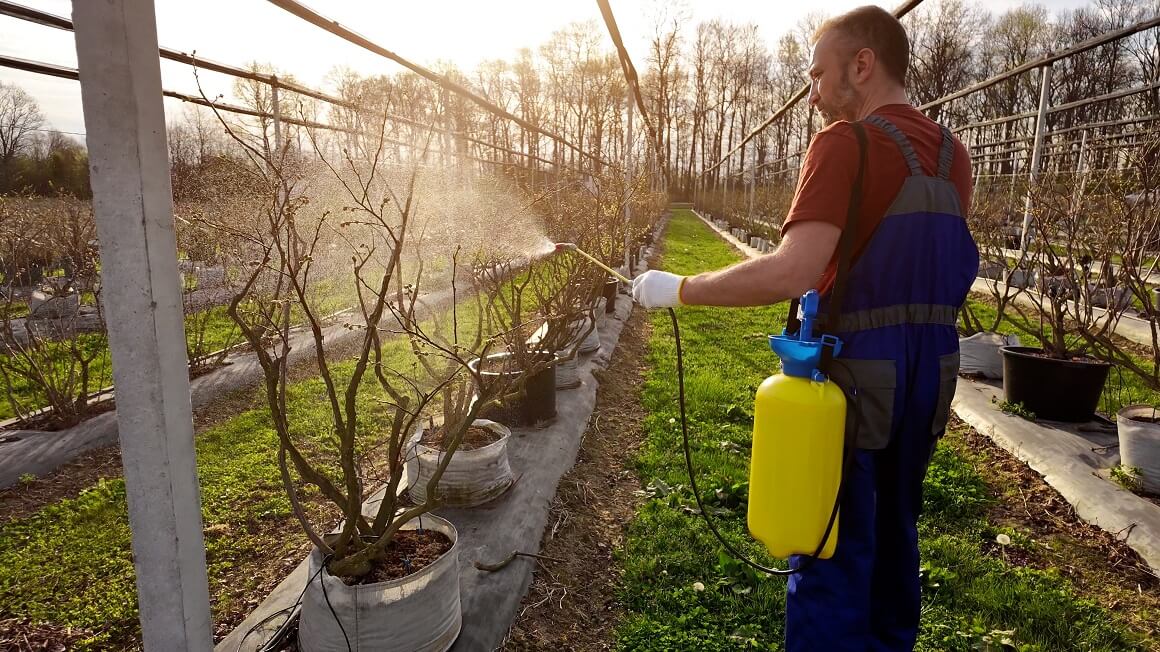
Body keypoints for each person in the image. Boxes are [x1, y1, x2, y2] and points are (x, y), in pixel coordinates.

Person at [631, 6, 979, 652]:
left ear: (862, 65)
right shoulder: (953, 156)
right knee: (897, 534)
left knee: (833, 548)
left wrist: (679, 288)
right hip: (932, 378)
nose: (813, 93)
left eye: (818, 75)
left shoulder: (847, 143)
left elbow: (794, 271)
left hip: (858, 386)